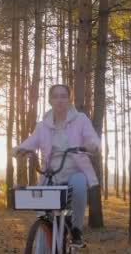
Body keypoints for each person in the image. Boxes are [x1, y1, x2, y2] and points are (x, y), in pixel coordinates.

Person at [13, 84, 100, 248]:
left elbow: (92, 138)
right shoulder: (43, 125)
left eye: (63, 96)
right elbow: (32, 141)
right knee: (43, 213)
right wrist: (20, 149)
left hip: (74, 171)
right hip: (51, 173)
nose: (60, 100)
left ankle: (76, 230)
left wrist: (93, 146)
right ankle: (44, 239)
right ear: (50, 100)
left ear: (69, 99)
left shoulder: (80, 119)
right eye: (56, 96)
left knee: (80, 186)